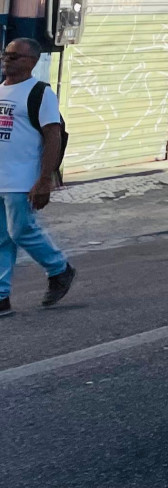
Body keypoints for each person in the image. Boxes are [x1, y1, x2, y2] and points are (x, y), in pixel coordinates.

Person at [0, 39, 72, 318]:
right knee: (1, 239)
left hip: (22, 178)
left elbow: (52, 135)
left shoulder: (40, 93)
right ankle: (2, 297)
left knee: (19, 231)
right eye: (6, 54)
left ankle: (59, 269)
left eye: (15, 56)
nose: (8, 59)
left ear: (31, 61)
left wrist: (44, 180)